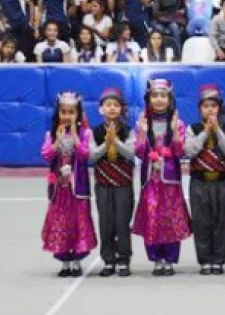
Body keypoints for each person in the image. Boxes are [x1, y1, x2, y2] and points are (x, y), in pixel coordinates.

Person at [132, 78, 192, 276]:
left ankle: (170, 259)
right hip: (150, 180)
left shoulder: (178, 123)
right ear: (148, 98)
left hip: (170, 181)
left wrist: (175, 132)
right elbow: (140, 152)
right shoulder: (142, 121)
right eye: (154, 96)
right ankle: (156, 259)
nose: (159, 100)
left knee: (170, 219)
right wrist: (142, 133)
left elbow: (180, 151)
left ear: (169, 98)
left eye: (163, 96)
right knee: (152, 217)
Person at [41, 91, 97, 277]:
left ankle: (77, 260)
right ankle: (64, 261)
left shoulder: (85, 133)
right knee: (61, 222)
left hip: (77, 188)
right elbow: (47, 154)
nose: (67, 116)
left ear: (78, 114)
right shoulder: (51, 133)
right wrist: (57, 141)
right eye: (63, 112)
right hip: (59, 189)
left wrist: (75, 136)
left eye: (71, 112)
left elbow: (84, 154)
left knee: (77, 221)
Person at [184, 84, 225, 275]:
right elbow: (189, 151)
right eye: (206, 106)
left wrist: (217, 130)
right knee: (201, 222)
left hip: (222, 182)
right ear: (200, 109)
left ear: (220, 108)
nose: (210, 110)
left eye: (214, 106)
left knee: (221, 222)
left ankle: (219, 260)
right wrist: (206, 132)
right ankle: (205, 259)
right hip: (199, 182)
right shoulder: (193, 128)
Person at [89, 87, 137, 277]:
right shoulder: (94, 132)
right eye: (108, 105)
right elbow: (92, 157)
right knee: (106, 223)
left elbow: (131, 153)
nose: (112, 108)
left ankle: (123, 259)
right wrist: (105, 143)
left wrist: (115, 141)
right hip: (103, 185)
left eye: (116, 105)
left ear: (121, 109)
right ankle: (108, 260)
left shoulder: (128, 131)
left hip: (123, 184)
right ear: (101, 109)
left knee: (122, 223)